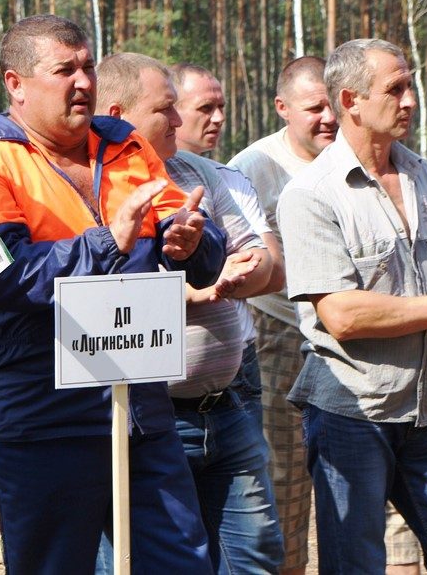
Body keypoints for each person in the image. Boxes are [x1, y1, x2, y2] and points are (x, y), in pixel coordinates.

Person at [0, 16, 227, 575]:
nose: (83, 82)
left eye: (88, 67)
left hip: (140, 407)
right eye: (63, 70)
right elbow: (8, 277)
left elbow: (194, 241)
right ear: (16, 84)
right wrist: (106, 241)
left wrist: (193, 242)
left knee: (182, 564)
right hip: (40, 414)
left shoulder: (127, 146)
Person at [277, 38, 427, 574]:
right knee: (356, 566)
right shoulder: (311, 194)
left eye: (410, 85)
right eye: (395, 89)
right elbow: (341, 315)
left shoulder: (420, 172)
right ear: (351, 100)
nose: (410, 100)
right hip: (354, 414)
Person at [231, 57, 422, 574]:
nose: (327, 119)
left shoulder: (380, 160)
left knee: (384, 490)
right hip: (280, 338)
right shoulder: (253, 167)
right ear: (282, 108)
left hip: (370, 341)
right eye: (313, 108)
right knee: (286, 484)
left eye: (331, 106)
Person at [97, 52, 283, 573]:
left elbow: (263, 261)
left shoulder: (200, 174)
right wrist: (197, 290)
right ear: (118, 115)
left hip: (230, 403)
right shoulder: (91, 187)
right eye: (166, 110)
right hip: (148, 418)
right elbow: (100, 301)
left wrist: (236, 269)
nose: (179, 121)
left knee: (255, 558)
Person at [171, 63, 282, 428]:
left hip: (239, 371)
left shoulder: (229, 178)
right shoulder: (128, 181)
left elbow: (272, 271)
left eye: (221, 107)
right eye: (205, 108)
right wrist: (220, 277)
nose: (218, 118)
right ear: (171, 108)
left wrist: (211, 283)